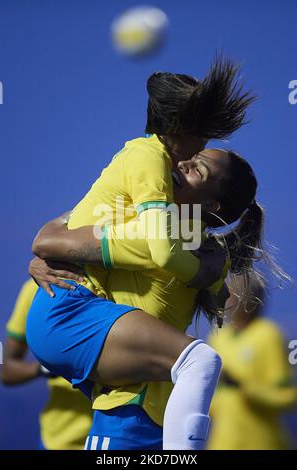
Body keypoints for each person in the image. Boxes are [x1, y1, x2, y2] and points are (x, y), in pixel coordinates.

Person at [26, 56, 257, 450]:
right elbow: (49, 239)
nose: (184, 162)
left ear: (212, 207)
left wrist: (210, 274)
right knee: (201, 360)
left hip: (155, 406)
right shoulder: (161, 222)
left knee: (197, 362)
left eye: (197, 170)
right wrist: (41, 257)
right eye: (194, 153)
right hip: (123, 407)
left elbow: (54, 239)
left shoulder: (191, 239)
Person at [0, 279, 93, 450]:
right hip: (61, 441)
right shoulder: (36, 289)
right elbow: (7, 371)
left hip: (123, 437)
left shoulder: (126, 284)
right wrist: (44, 368)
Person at [207, 275, 297, 450]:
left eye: (232, 294)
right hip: (223, 444)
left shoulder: (269, 336)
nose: (226, 299)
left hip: (262, 443)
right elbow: (212, 398)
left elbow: (288, 396)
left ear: (252, 300)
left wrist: (244, 387)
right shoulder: (218, 337)